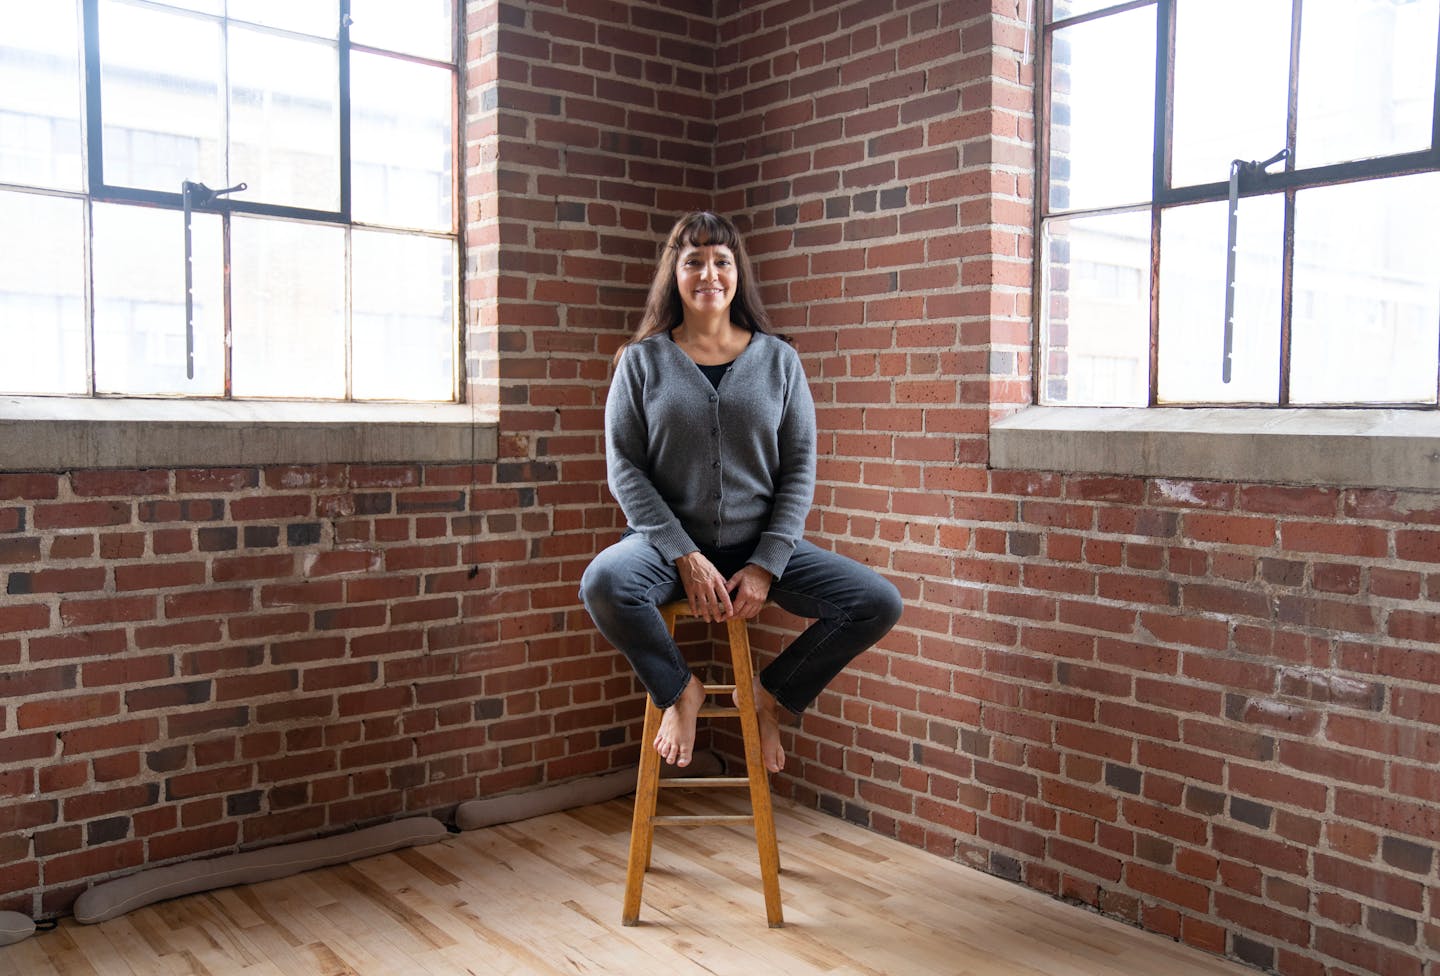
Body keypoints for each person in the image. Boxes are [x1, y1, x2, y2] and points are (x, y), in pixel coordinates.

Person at [580, 211, 903, 774]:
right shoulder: (641, 362)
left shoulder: (779, 360)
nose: (709, 273)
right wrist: (685, 556)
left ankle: (768, 696)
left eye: (721, 261)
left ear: (737, 274)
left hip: (761, 546)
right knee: (605, 582)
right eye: (694, 261)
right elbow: (624, 470)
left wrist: (765, 564)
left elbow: (800, 468)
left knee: (876, 602)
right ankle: (679, 691)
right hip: (663, 548)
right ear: (674, 275)